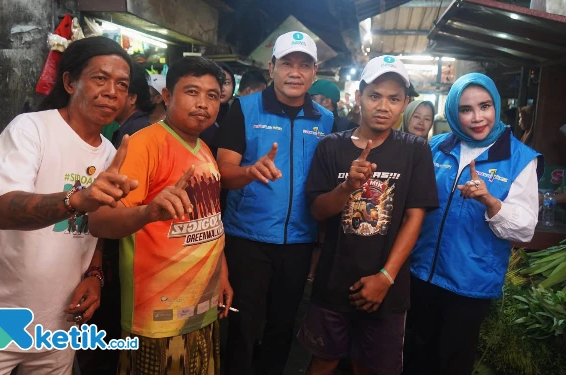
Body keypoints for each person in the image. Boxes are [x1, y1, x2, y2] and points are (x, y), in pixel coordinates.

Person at [0, 36, 137, 375]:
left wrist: (94, 273)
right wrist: (78, 199)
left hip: (58, 323)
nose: (112, 91)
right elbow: (5, 209)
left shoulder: (109, 152)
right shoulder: (31, 129)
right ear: (70, 82)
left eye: (122, 84)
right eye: (100, 78)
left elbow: (96, 226)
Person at [87, 56, 233, 375]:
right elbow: (99, 221)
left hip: (202, 307)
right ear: (166, 96)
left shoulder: (204, 149)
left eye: (212, 95)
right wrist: (149, 211)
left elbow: (210, 220)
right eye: (192, 92)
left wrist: (221, 272)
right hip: (157, 315)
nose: (203, 103)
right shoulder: (145, 144)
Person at [297, 55, 439, 375]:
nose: (383, 106)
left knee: (372, 366)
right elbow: (318, 211)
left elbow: (414, 217)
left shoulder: (415, 150)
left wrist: (385, 278)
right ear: (359, 96)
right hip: (333, 283)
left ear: (404, 104)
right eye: (375, 95)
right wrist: (347, 186)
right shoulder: (331, 147)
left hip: (388, 289)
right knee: (322, 361)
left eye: (393, 98)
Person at [406, 73, 544, 375]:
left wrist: (490, 202)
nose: (477, 117)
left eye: (485, 106)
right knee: (414, 355)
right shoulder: (438, 146)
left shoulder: (520, 158)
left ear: (496, 105)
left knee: (451, 362)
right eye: (466, 109)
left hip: (469, 283)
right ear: (454, 112)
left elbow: (524, 229)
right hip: (420, 273)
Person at [217, 31, 334, 375]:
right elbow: (223, 172)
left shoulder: (325, 121)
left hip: (299, 242)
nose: (295, 72)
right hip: (248, 239)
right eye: (287, 63)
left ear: (315, 72)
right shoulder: (245, 108)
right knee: (242, 327)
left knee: (283, 328)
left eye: (304, 65)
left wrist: (319, 243)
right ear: (272, 68)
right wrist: (250, 172)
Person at [112, 62, 155, 147]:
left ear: (132, 98)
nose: (110, 94)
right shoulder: (136, 125)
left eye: (120, 86)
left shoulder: (134, 130)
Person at [200, 62, 235, 155]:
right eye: (217, 82)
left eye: (226, 83)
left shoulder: (237, 116)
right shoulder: (199, 114)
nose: (222, 88)